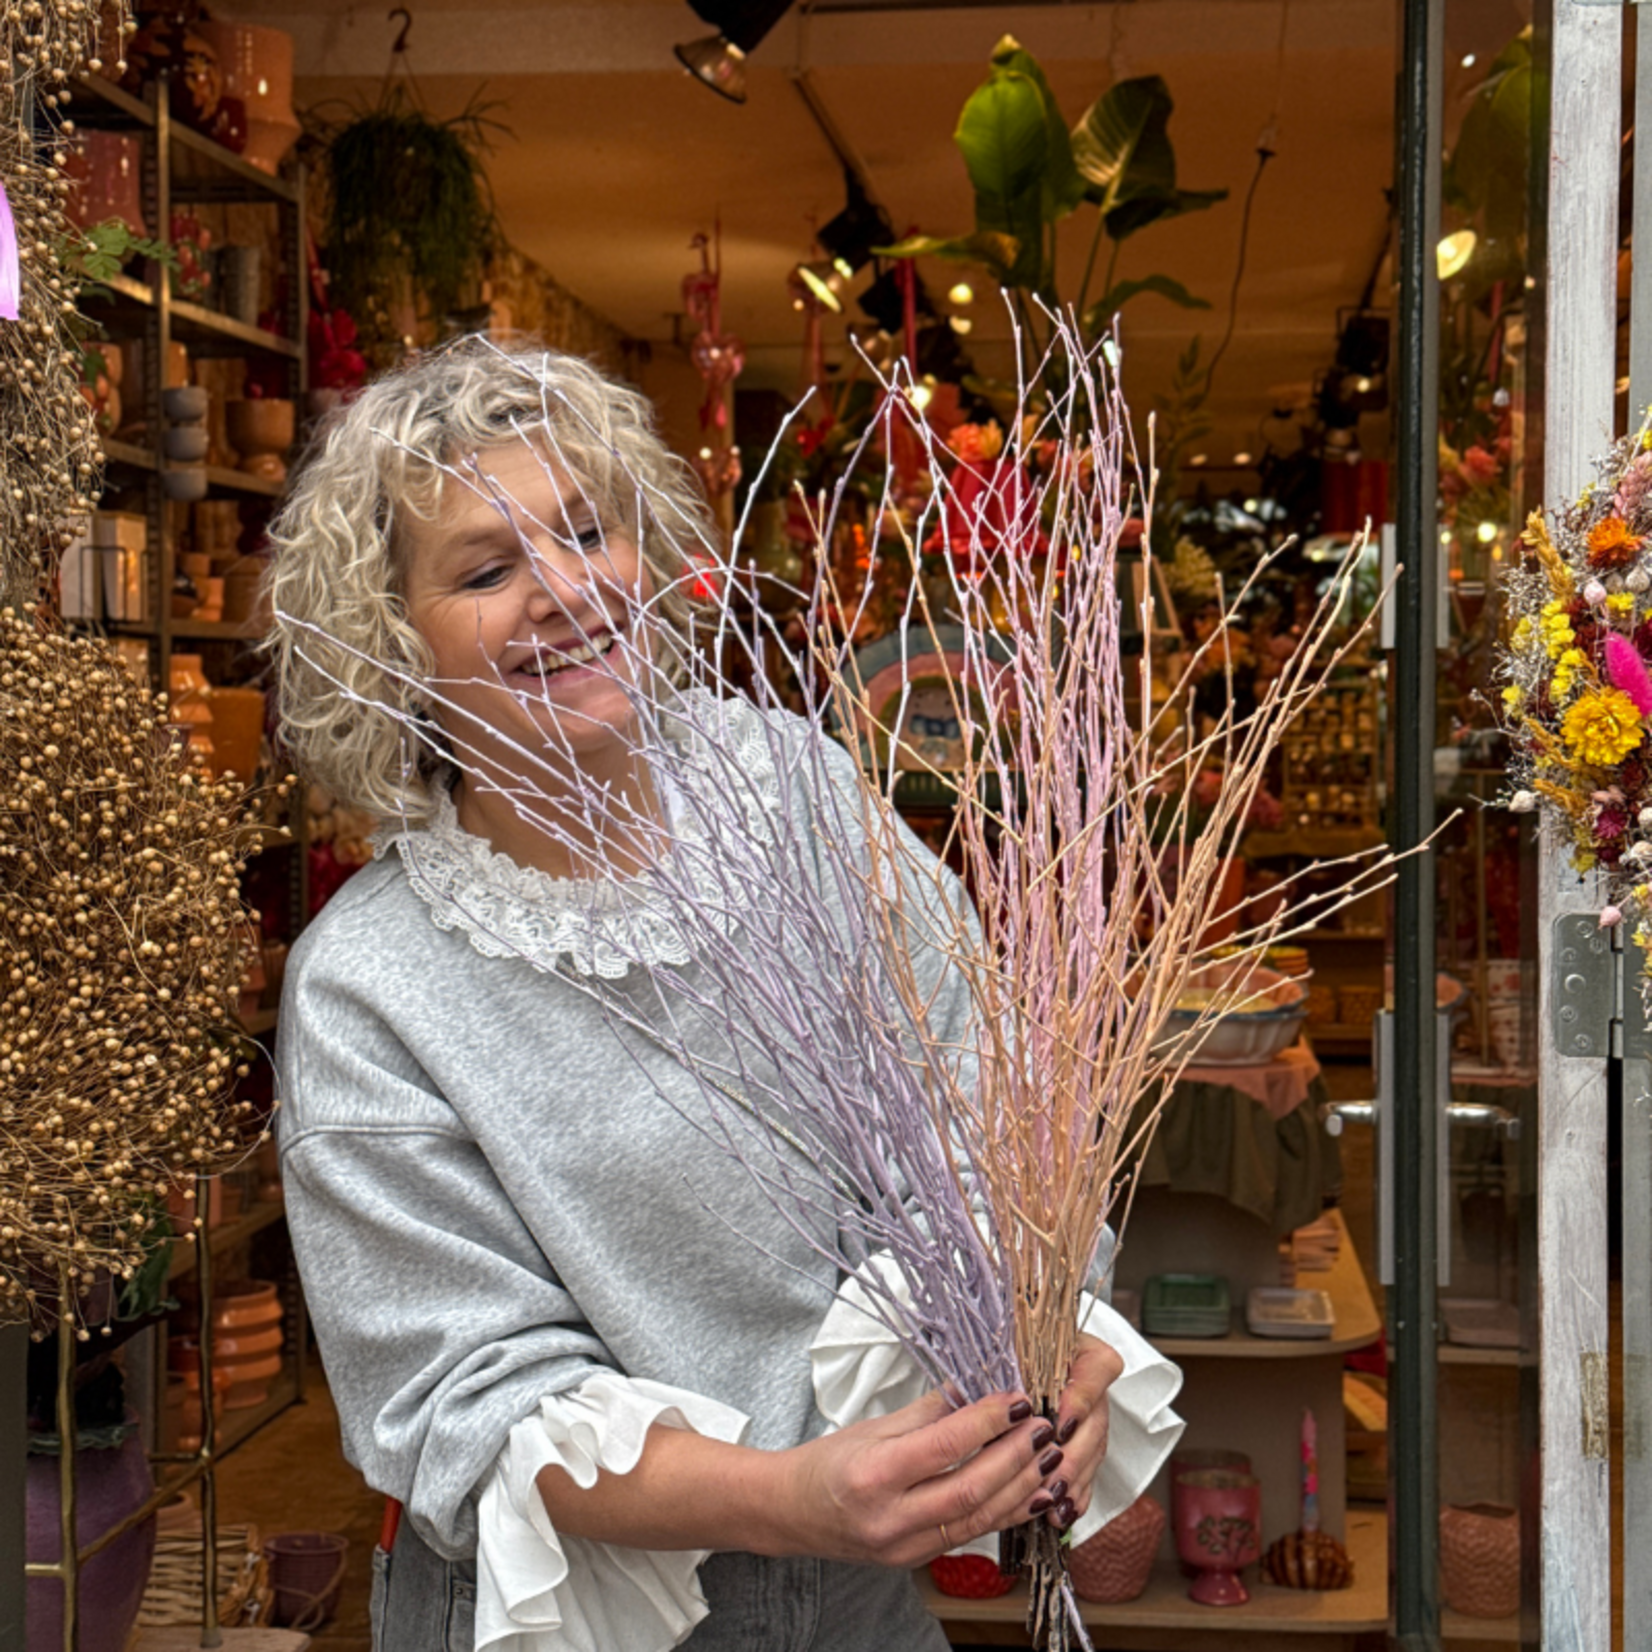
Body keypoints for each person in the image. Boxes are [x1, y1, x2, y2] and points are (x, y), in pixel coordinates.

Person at [264, 339, 1136, 1652]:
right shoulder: (376, 984)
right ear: (392, 651)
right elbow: (465, 1396)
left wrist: (1059, 1327)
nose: (563, 589)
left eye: (588, 531)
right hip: (575, 1615)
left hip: (857, 1593)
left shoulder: (795, 797)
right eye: (488, 571)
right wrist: (789, 1497)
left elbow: (992, 1096)